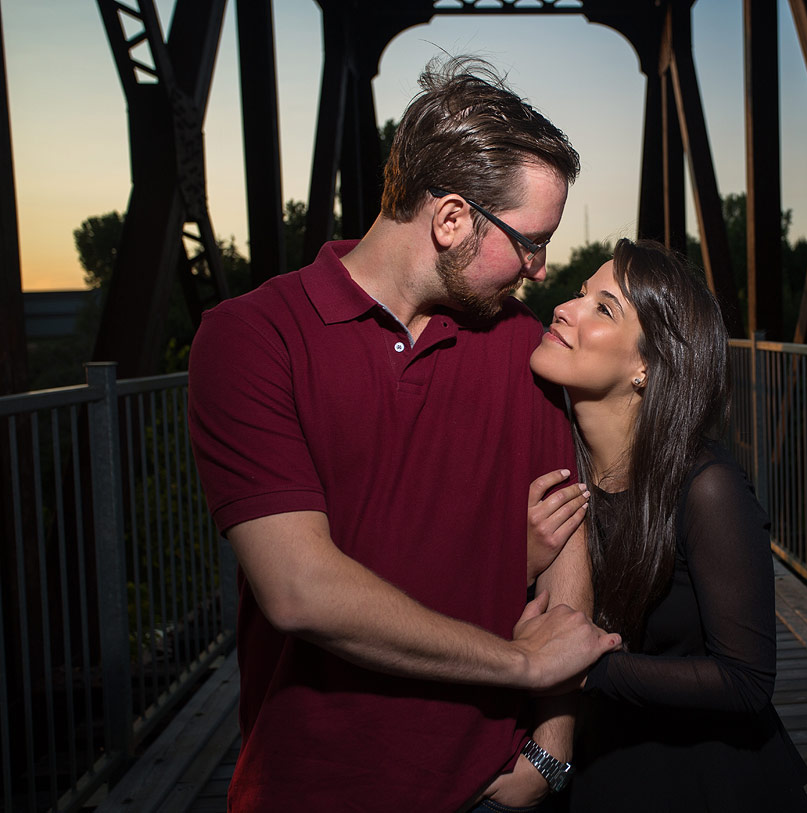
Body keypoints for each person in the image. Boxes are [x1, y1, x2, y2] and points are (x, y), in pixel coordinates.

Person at [187, 57, 618, 812]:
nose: (541, 269)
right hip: (314, 786)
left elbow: (569, 560)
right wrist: (520, 664)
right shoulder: (252, 338)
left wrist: (550, 750)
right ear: (451, 219)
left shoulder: (526, 347)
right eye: (529, 242)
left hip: (492, 786)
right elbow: (300, 590)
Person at [528, 239, 807, 811]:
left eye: (603, 308)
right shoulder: (553, 461)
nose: (565, 307)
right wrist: (525, 562)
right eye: (581, 293)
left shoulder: (706, 487)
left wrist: (589, 669)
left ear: (647, 366)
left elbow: (747, 681)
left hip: (707, 784)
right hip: (599, 773)